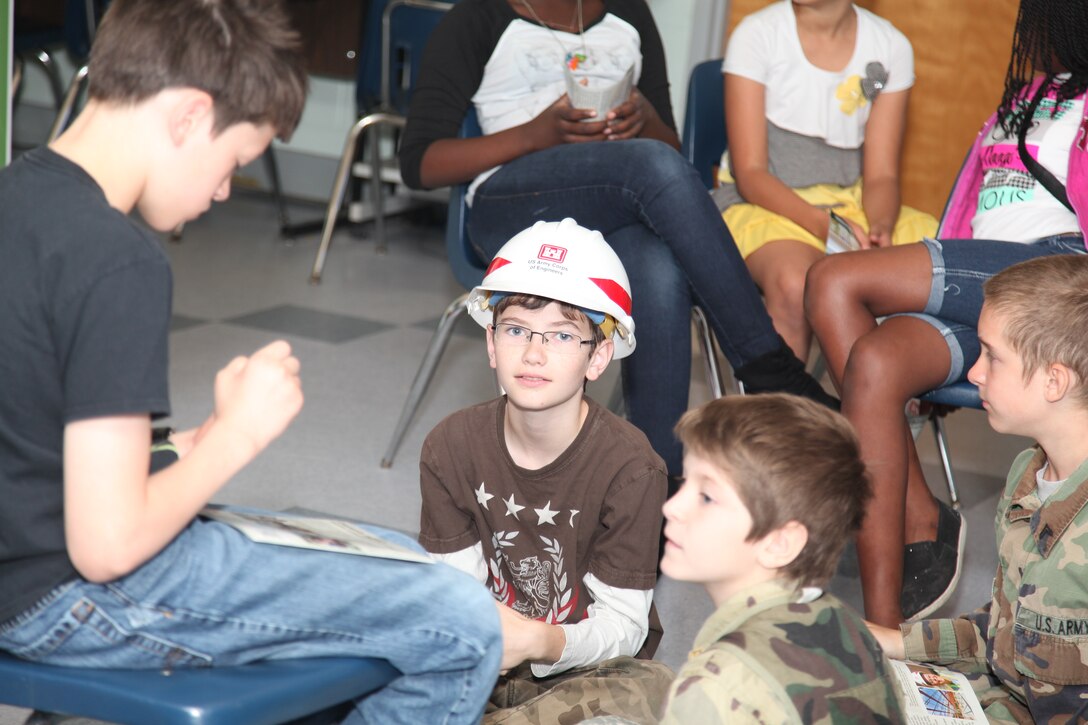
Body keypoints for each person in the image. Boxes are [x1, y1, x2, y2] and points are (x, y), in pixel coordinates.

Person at [0, 2, 502, 723]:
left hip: (19, 572)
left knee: (396, 553)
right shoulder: (117, 260)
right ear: (187, 116)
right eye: (234, 161)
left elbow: (35, 434)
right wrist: (239, 437)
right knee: (461, 619)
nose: (226, 190)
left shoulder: (16, 195)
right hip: (72, 598)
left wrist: (195, 442)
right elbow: (106, 545)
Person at [399, 0, 837, 481]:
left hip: (617, 202)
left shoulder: (629, 13)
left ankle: (653, 486)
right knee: (648, 166)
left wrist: (645, 119)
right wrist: (534, 135)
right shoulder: (478, 17)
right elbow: (419, 163)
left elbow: (669, 153)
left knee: (655, 262)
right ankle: (770, 370)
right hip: (512, 203)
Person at [805, 0, 1088, 627]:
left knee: (832, 280)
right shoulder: (1024, 98)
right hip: (980, 282)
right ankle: (880, 631)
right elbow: (964, 217)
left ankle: (922, 518)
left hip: (1051, 274)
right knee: (875, 362)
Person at [419, 219, 675, 723]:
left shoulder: (633, 468)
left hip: (583, 671)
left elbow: (623, 627)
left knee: (658, 689)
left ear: (598, 356)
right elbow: (455, 596)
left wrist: (542, 640)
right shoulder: (450, 446)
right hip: (483, 657)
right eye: (515, 329)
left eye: (562, 335)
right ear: (491, 343)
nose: (533, 353)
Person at [868, 255, 1088, 723]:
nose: (974, 373)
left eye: (992, 356)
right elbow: (1007, 630)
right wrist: (895, 641)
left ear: (1054, 381)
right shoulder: (1026, 475)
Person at [658, 394, 903, 723]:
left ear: (779, 543)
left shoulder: (715, 688)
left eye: (706, 497)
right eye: (685, 483)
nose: (671, 507)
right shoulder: (849, 626)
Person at [718, 0, 937, 360]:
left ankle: (891, 400)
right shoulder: (757, 35)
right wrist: (828, 226)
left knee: (932, 258)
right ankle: (782, 412)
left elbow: (881, 175)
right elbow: (750, 175)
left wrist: (881, 226)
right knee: (794, 282)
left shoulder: (890, 46)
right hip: (765, 203)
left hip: (849, 201)